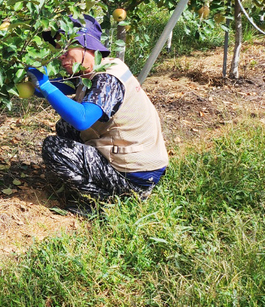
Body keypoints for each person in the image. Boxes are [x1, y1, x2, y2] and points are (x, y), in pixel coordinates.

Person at [28, 15, 168, 213]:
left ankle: (105, 202)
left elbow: (82, 119)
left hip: (137, 172)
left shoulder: (107, 79)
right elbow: (61, 88)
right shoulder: (97, 69)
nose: (61, 55)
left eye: (66, 48)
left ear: (86, 45)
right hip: (140, 161)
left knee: (54, 148)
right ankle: (106, 183)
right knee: (64, 126)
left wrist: (46, 86)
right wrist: (30, 83)